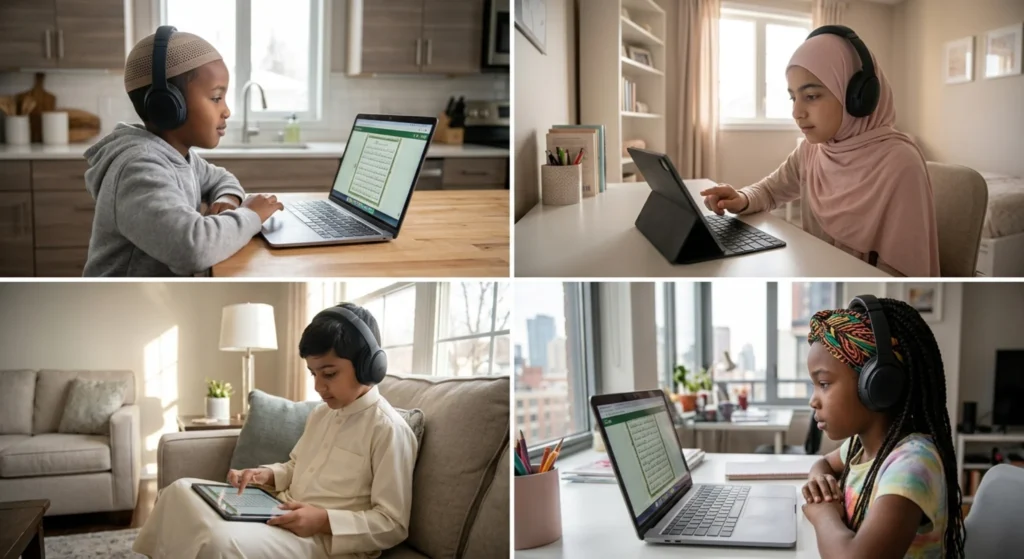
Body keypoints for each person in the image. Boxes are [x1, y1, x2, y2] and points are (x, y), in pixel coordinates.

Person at [132, 303, 419, 558]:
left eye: (329, 374)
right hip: (281, 510)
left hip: (326, 540)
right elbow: (296, 465)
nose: (318, 387)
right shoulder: (322, 414)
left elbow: (392, 524)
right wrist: (265, 474)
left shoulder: (389, 430)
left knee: (220, 544)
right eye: (313, 374)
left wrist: (323, 520)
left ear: (369, 367)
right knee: (179, 490)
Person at [700, 26, 940, 277]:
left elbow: (900, 278)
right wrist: (742, 198)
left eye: (811, 96)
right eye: (793, 98)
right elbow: (770, 190)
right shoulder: (811, 151)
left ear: (856, 97)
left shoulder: (901, 164)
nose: (797, 112)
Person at [83, 26, 283, 277]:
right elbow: (193, 249)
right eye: (215, 98)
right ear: (167, 105)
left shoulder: (178, 156)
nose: (227, 111)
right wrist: (250, 215)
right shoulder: (139, 167)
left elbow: (222, 178)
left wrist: (227, 200)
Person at [801, 296, 964, 558]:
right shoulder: (860, 446)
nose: (813, 400)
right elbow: (824, 464)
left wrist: (823, 514)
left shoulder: (911, 464)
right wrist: (820, 481)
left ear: (877, 385)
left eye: (824, 384)